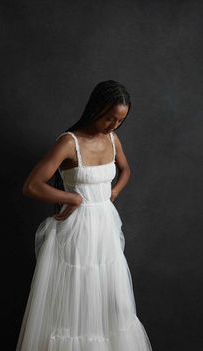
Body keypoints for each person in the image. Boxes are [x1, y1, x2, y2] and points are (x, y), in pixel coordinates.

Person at [16, 80, 153, 350]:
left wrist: (112, 194)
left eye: (120, 121)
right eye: (109, 118)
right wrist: (72, 197)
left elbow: (125, 170)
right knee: (77, 297)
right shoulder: (69, 143)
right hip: (77, 232)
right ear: (95, 108)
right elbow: (31, 185)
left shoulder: (113, 139)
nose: (114, 125)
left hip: (106, 228)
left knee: (109, 298)